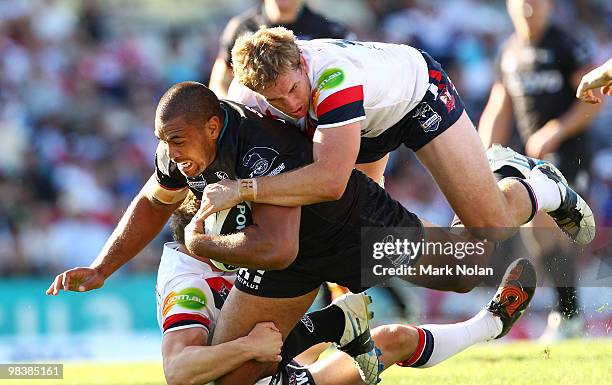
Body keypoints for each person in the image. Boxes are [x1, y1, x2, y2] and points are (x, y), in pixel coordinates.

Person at [47, 82, 525, 385]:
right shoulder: (181, 150)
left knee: (466, 271)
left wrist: (202, 242)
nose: (170, 153)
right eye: (162, 142)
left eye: (176, 141)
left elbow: (277, 247)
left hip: (348, 227)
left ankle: (523, 185)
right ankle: (357, 326)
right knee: (240, 375)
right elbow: (154, 201)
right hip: (286, 259)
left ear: (213, 126)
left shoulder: (259, 148)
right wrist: (102, 267)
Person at [199, 26, 595, 248]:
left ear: (301, 60)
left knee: (490, 226)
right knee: (353, 233)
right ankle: (352, 328)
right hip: (361, 124)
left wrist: (244, 189)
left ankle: (541, 186)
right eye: (276, 100)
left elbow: (330, 181)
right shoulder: (247, 97)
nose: (292, 103)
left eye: (293, 88)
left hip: (417, 97)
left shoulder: (331, 75)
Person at [153, 192, 539, 385]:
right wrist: (248, 347)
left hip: (266, 366)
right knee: (392, 338)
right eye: (238, 233)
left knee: (384, 334)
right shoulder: (188, 287)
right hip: (255, 374)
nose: (246, 239)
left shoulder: (210, 257)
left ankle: (490, 322)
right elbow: (177, 370)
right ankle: (337, 323)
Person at [478, 0, 602, 341]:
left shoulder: (565, 42)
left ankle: (568, 314)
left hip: (571, 153)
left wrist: (557, 131)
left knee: (542, 223)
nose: (529, 8)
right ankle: (569, 314)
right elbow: (499, 106)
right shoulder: (509, 50)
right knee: (537, 230)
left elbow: (593, 97)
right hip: (532, 160)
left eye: (537, 1)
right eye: (522, 2)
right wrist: (480, 158)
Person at [209, 0, 352, 98]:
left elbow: (349, 81)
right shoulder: (241, 28)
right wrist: (236, 117)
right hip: (256, 128)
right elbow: (220, 81)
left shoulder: (330, 31)